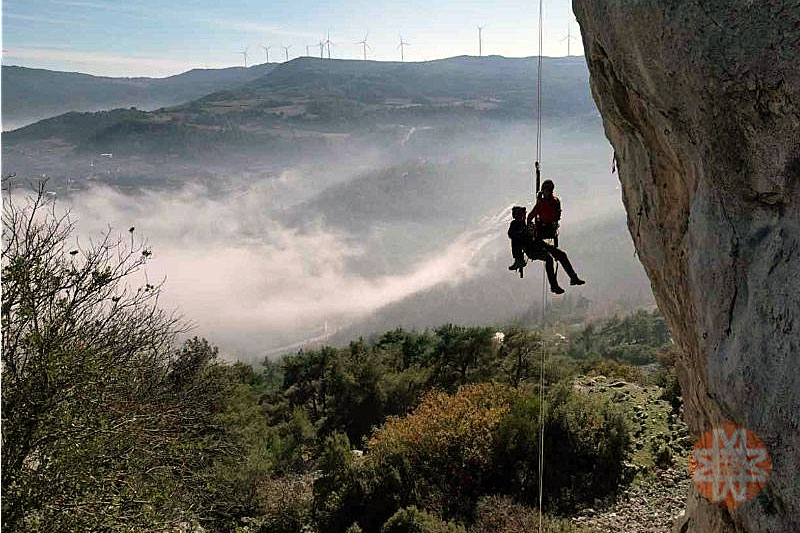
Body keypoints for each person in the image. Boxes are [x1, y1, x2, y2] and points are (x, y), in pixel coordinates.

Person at [507, 181, 586, 294]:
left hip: (537, 244)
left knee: (561, 255)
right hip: (532, 249)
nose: (524, 216)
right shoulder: (516, 225)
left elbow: (532, 219)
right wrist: (524, 237)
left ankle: (573, 278)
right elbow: (513, 234)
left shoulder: (525, 223)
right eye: (522, 215)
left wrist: (533, 228)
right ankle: (554, 286)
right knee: (549, 259)